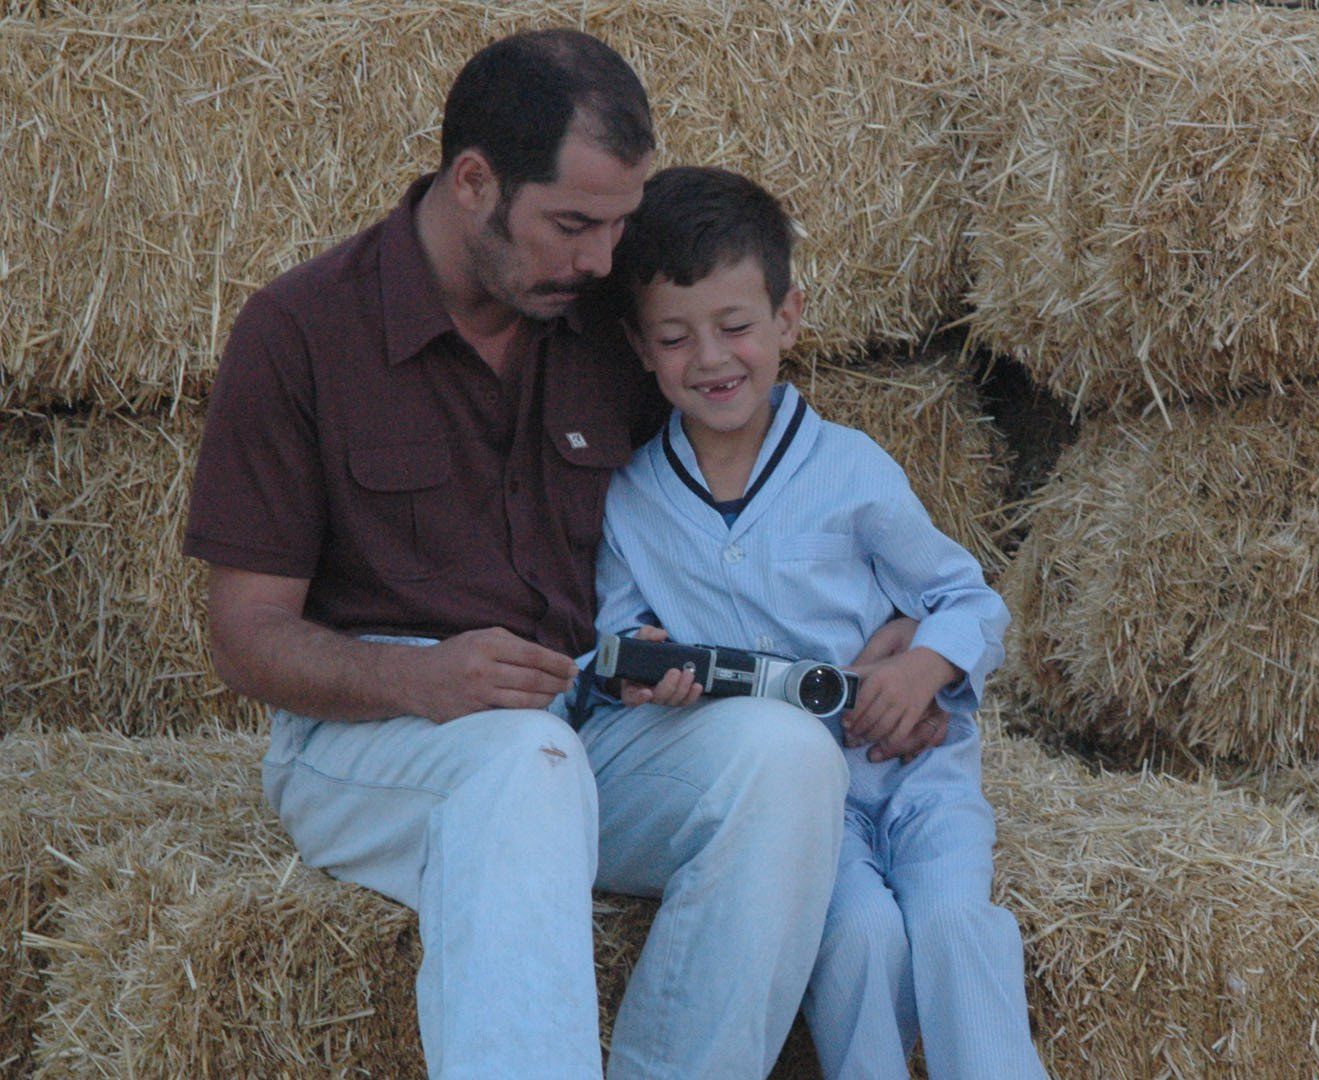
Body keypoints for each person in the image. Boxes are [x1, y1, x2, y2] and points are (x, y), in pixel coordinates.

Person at [184, 31, 943, 1079]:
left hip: (587, 721)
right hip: (373, 740)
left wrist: (894, 645)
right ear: (475, 182)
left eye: (618, 226)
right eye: (573, 225)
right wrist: (420, 676)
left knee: (786, 759)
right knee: (520, 762)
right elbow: (244, 637)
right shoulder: (302, 330)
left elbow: (758, 501)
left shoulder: (613, 324)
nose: (600, 261)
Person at [585, 165, 1049, 1080]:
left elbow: (969, 599)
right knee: (860, 940)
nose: (711, 359)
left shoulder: (850, 470)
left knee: (957, 924)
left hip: (918, 778)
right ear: (639, 346)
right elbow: (618, 637)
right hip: (805, 811)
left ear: (789, 318)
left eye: (736, 327)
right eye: (676, 338)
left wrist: (924, 671)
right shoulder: (633, 499)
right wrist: (643, 668)